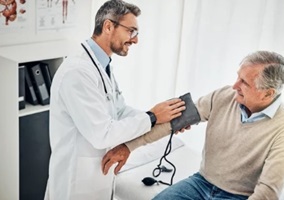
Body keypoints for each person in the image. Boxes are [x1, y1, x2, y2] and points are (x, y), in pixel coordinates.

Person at [43, 0, 186, 200]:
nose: (135, 40)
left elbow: (119, 111)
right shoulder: (77, 72)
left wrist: (165, 119)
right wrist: (152, 117)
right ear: (108, 26)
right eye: (131, 31)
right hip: (75, 183)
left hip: (98, 177)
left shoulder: (102, 66)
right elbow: (102, 133)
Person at [103, 51, 284, 200]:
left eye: (244, 83)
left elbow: (267, 192)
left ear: (267, 94)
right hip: (201, 182)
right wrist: (128, 147)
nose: (234, 86)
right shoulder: (223, 96)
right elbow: (172, 122)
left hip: (240, 196)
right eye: (238, 77)